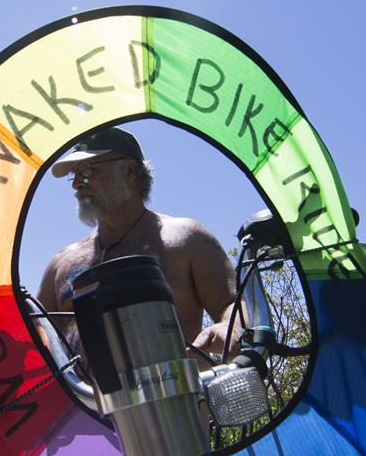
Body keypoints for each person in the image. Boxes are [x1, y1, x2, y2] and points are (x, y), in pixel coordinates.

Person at [38, 127, 241, 358]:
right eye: (74, 173)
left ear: (129, 170)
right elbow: (34, 334)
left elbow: (233, 303)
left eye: (86, 169)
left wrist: (230, 327)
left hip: (176, 381)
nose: (76, 184)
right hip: (80, 385)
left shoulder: (187, 239)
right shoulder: (60, 264)